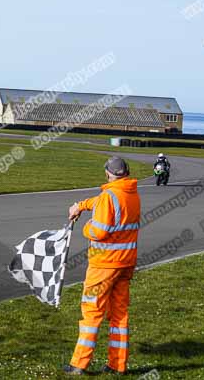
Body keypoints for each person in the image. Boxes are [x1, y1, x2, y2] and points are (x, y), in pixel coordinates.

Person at [64, 156, 141, 376]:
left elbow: (98, 231)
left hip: (104, 266)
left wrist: (85, 227)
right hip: (125, 264)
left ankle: (79, 364)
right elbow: (101, 201)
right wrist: (81, 205)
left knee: (91, 313)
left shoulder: (109, 196)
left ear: (107, 173)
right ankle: (117, 365)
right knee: (119, 314)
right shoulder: (130, 193)